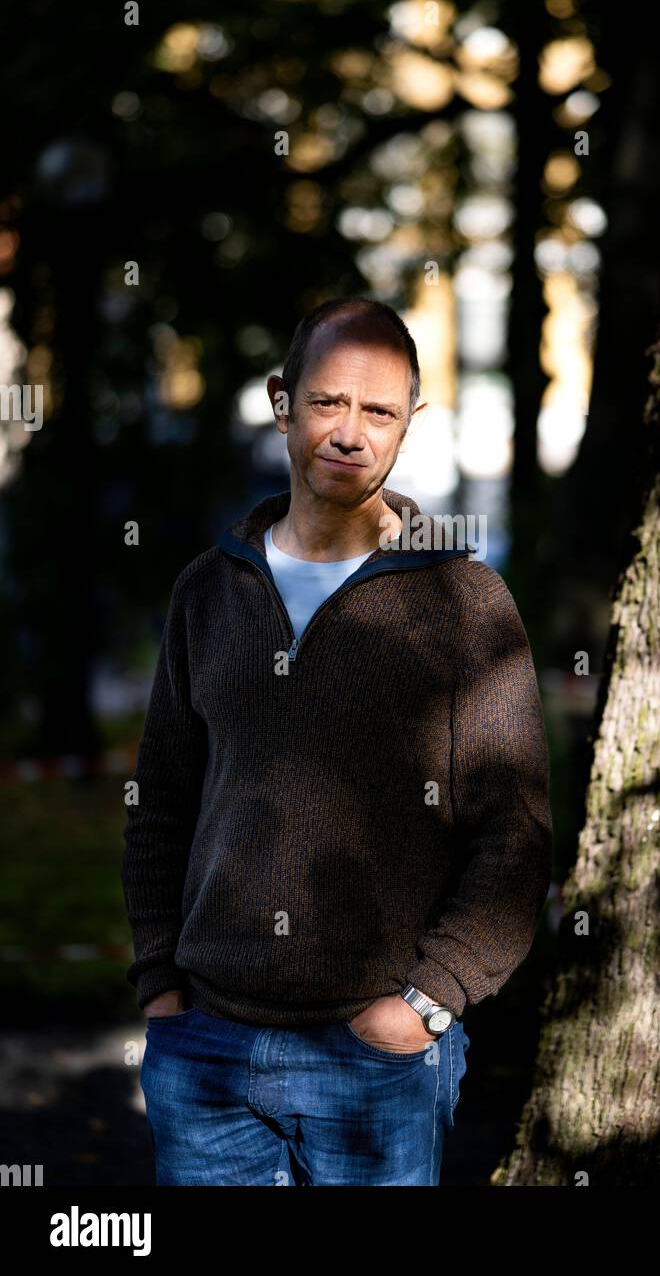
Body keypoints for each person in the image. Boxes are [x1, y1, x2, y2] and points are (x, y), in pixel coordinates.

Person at [122, 295, 552, 1186]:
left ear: (410, 424)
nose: (351, 433)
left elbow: (514, 834)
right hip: (206, 1050)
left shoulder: (463, 602)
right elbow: (159, 803)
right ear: (282, 402)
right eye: (327, 402)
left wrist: (430, 1001)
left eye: (379, 412)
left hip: (377, 1058)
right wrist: (162, 988)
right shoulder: (210, 590)